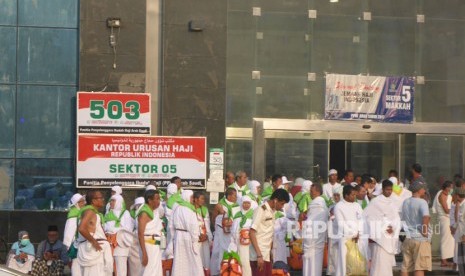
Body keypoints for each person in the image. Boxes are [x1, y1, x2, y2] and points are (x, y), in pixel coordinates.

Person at [364, 179, 401, 276]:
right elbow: (369, 218)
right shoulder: (375, 202)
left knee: (387, 265)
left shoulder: (392, 202)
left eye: (390, 190)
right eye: (387, 190)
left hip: (389, 237)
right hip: (379, 239)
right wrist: (384, 227)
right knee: (378, 263)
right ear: (382, 189)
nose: (389, 192)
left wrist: (392, 227)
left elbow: (396, 219)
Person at [249, 189, 290, 276]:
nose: (282, 207)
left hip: (266, 254)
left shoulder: (273, 211)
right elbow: (252, 232)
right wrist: (259, 255)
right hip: (258, 255)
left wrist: (270, 252)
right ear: (275, 200)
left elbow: (268, 233)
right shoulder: (261, 209)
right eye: (282, 203)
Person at [77, 190, 113, 275]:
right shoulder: (90, 212)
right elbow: (81, 228)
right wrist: (94, 242)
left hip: (92, 249)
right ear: (93, 200)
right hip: (94, 250)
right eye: (101, 198)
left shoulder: (90, 212)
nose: (103, 200)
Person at [401, 182, 432, 275]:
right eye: (423, 189)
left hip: (408, 237)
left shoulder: (406, 201)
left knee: (405, 267)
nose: (425, 191)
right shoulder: (422, 202)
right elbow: (426, 217)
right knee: (419, 267)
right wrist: (425, 232)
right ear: (419, 190)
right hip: (420, 238)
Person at [333, 185, 365, 276]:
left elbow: (361, 220)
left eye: (355, 194)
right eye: (352, 195)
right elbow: (341, 223)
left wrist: (359, 232)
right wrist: (352, 234)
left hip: (357, 238)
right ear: (346, 195)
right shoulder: (339, 206)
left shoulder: (357, 205)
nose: (355, 197)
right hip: (345, 238)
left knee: (356, 262)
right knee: (344, 262)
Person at [171, 190, 204, 275]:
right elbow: (193, 226)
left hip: (178, 236)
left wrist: (173, 237)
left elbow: (171, 225)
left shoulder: (177, 208)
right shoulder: (189, 210)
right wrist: (195, 239)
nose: (193, 199)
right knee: (194, 259)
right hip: (188, 237)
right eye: (191, 197)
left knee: (180, 259)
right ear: (186, 197)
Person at [210, 188, 239, 275]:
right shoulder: (220, 205)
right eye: (235, 195)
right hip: (220, 231)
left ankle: (228, 270)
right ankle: (216, 271)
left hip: (231, 232)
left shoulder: (236, 206)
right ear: (229, 196)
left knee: (229, 250)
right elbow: (213, 218)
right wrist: (218, 228)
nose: (236, 197)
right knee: (217, 252)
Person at [302, 183, 329, 276]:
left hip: (313, 237)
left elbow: (310, 221)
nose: (310, 193)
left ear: (317, 191)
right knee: (315, 262)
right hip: (318, 237)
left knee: (310, 261)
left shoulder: (316, 204)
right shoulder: (322, 203)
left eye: (312, 191)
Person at [104, 194, 132, 276]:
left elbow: (128, 229)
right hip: (109, 245)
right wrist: (113, 231)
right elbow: (105, 227)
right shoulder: (108, 213)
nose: (111, 202)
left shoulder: (125, 213)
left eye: (113, 200)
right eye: (111, 200)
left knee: (121, 270)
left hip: (121, 245)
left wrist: (114, 231)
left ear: (119, 202)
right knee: (108, 268)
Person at [137, 189, 163, 275]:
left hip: (155, 246)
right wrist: (144, 253)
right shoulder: (144, 213)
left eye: (159, 199)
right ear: (149, 200)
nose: (159, 201)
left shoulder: (155, 211)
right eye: (157, 199)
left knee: (156, 271)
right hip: (148, 246)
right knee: (148, 271)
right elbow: (140, 234)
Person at [229, 195, 256, 276]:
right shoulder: (237, 214)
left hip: (248, 242)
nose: (246, 205)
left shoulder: (253, 214)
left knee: (245, 262)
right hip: (237, 240)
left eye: (248, 203)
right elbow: (233, 228)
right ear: (241, 203)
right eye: (244, 203)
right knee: (237, 261)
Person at [432, 180, 454, 266]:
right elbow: (446, 210)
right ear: (447, 188)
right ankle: (443, 260)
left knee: (450, 239)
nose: (452, 189)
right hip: (444, 219)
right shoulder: (442, 196)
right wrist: (456, 211)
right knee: (445, 239)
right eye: (451, 187)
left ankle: (449, 257)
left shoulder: (446, 195)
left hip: (448, 219)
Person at [63, 193, 85, 275]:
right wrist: (67, 249)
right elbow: (68, 235)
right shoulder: (73, 216)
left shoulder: (81, 213)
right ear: (76, 204)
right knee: (76, 269)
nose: (83, 204)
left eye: (83, 201)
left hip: (82, 246)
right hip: (75, 247)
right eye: (81, 202)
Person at [193, 191, 213, 271]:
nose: (203, 201)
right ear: (195, 199)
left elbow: (207, 225)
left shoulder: (204, 209)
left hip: (204, 238)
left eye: (204, 199)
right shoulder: (190, 209)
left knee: (205, 259)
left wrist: (207, 236)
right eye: (201, 199)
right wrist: (198, 235)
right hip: (196, 238)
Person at [128, 197, 145, 276]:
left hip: (144, 239)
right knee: (135, 265)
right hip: (135, 239)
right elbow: (130, 227)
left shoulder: (147, 213)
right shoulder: (132, 214)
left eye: (140, 205)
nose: (138, 207)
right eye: (137, 206)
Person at [453, 188, 465, 275]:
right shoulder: (459, 205)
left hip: (463, 235)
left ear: (457, 196)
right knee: (460, 259)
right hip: (460, 235)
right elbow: (457, 220)